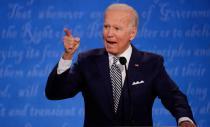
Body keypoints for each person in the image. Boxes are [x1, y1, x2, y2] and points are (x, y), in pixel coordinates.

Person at [45, 3, 196, 127]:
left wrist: (185, 120)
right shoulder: (87, 61)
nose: (109, 33)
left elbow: (175, 98)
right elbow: (55, 93)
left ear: (132, 33)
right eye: (106, 27)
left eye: (116, 28)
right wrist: (67, 56)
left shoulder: (151, 64)